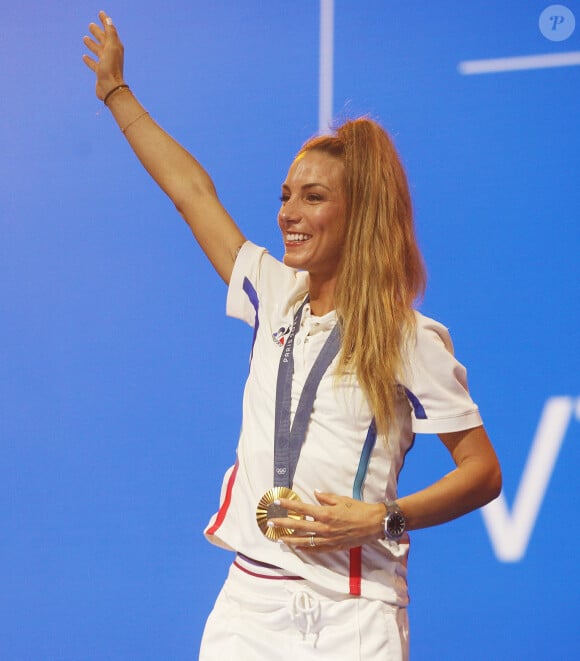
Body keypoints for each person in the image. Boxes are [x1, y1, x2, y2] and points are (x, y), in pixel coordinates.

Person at [83, 11, 502, 660]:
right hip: (248, 607)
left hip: (353, 613)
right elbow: (191, 192)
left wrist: (384, 517)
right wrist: (117, 92)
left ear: (356, 212)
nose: (287, 214)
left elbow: (482, 470)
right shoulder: (272, 293)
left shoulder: (407, 337)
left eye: (312, 197)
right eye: (285, 196)